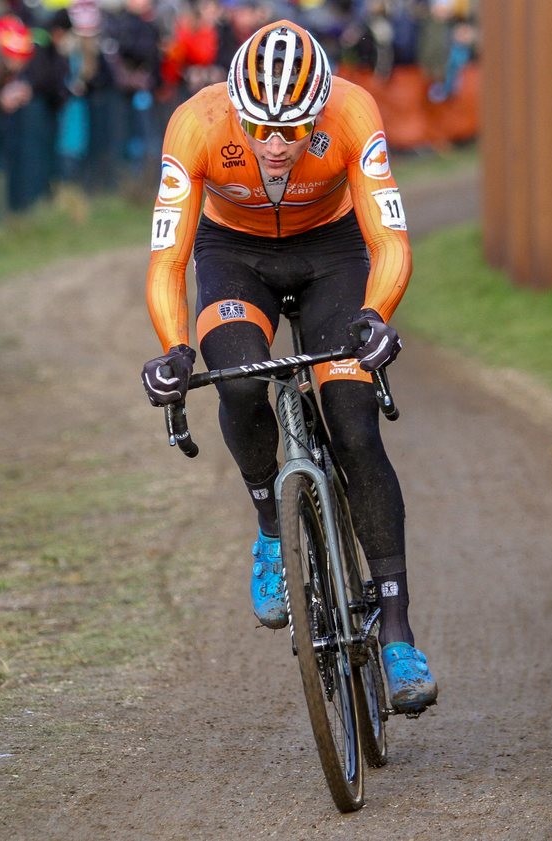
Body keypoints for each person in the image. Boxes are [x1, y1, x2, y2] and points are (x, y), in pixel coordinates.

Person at [138, 20, 437, 712]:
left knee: (356, 426)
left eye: (293, 132)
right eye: (261, 130)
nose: (275, 146)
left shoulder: (354, 111)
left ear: (319, 112)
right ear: (236, 110)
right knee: (238, 381)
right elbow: (168, 258)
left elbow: (389, 238)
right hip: (233, 256)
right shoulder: (196, 124)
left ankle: (396, 631)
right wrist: (174, 348)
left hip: (333, 253)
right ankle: (273, 532)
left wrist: (377, 314)